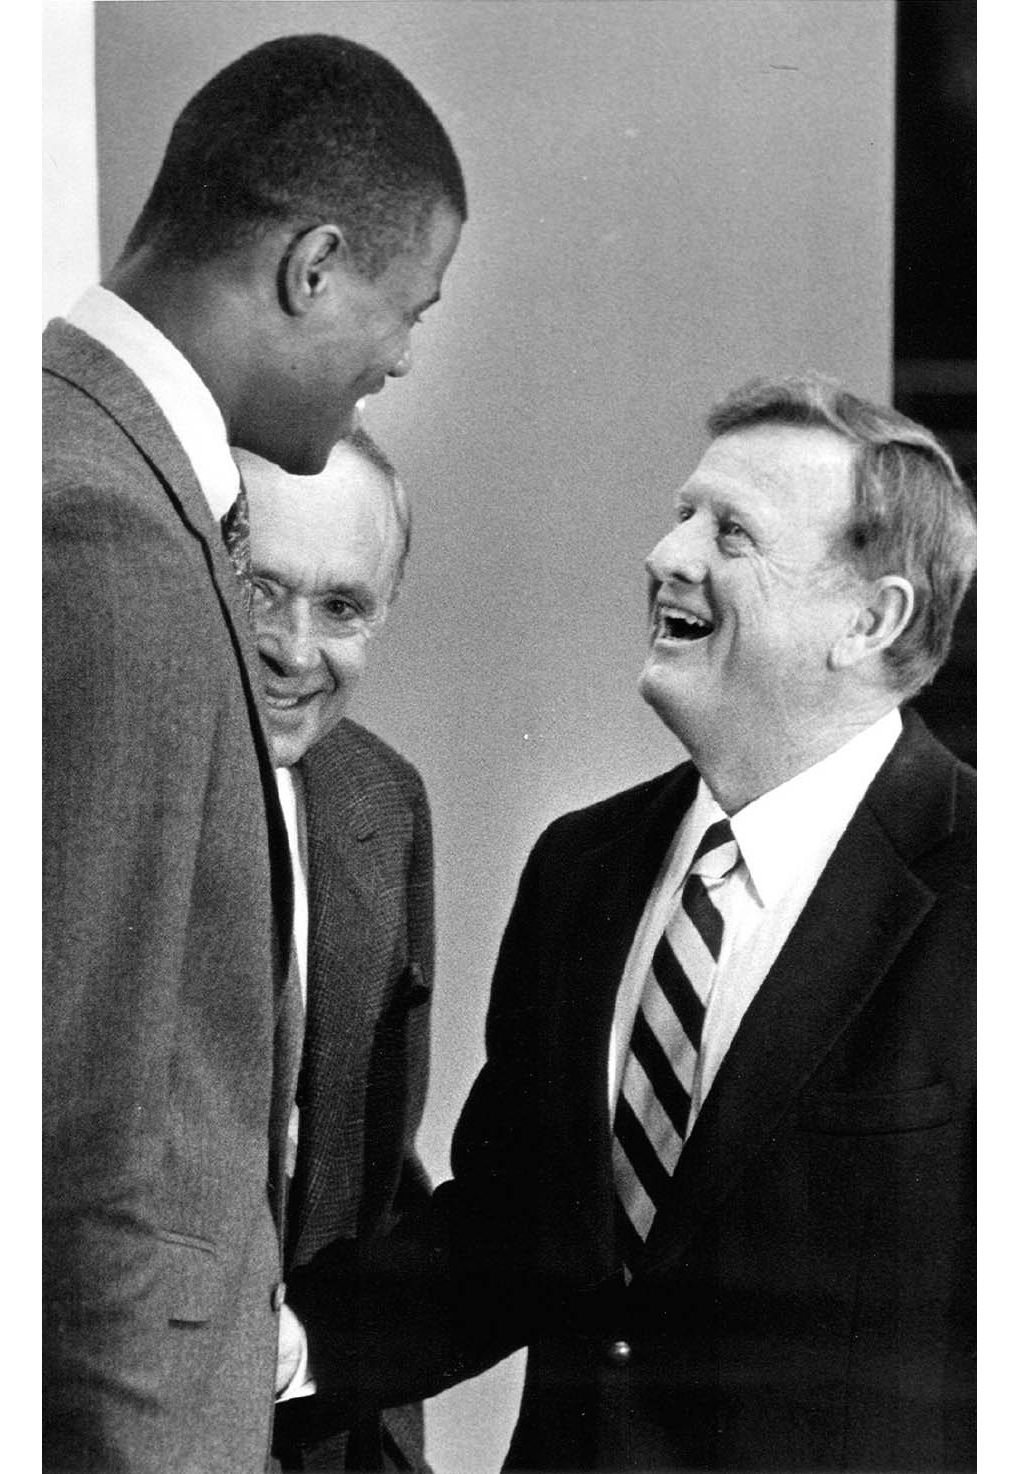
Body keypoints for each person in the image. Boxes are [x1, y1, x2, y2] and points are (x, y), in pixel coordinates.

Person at [283, 376, 977, 1472]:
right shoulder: (583, 867)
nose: (667, 553)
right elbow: (511, 1234)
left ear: (871, 619)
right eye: (682, 512)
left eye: (729, 530)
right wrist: (284, 1346)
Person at [43, 34, 464, 1473]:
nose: (402, 354)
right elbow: (84, 1146)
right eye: (408, 307)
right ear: (315, 264)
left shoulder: (95, 473)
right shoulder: (99, 526)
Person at [234, 434, 436, 1474]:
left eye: (342, 607)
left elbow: (378, 1186)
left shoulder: (381, 800)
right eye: (258, 590)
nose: (293, 648)